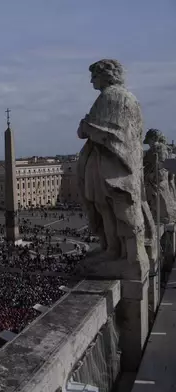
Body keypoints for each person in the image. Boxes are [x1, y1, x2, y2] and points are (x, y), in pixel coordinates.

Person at [76, 59, 151, 274]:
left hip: (111, 165)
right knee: (109, 207)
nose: (91, 81)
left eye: (94, 76)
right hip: (116, 162)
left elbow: (90, 130)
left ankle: (127, 256)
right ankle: (118, 251)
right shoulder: (131, 99)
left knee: (115, 208)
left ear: (106, 75)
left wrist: (85, 126)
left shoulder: (110, 97)